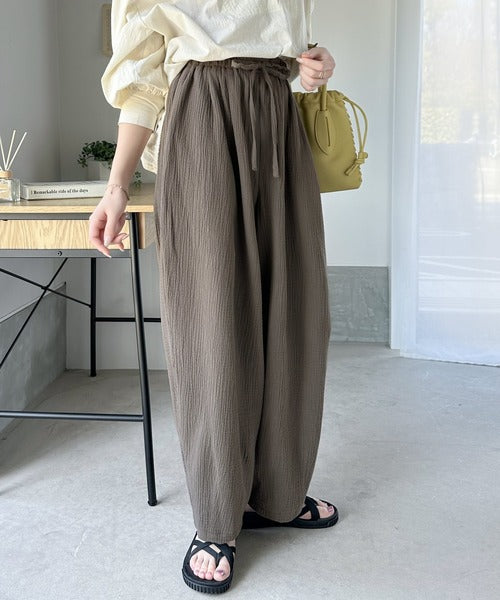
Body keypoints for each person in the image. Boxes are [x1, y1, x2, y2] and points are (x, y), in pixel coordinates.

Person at [89, 0, 338, 594]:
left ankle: (278, 496)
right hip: (201, 115)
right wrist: (117, 186)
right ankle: (217, 517)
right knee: (213, 318)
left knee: (295, 309)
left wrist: (311, 66)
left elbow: (288, 47)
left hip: (277, 115)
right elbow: (143, 83)